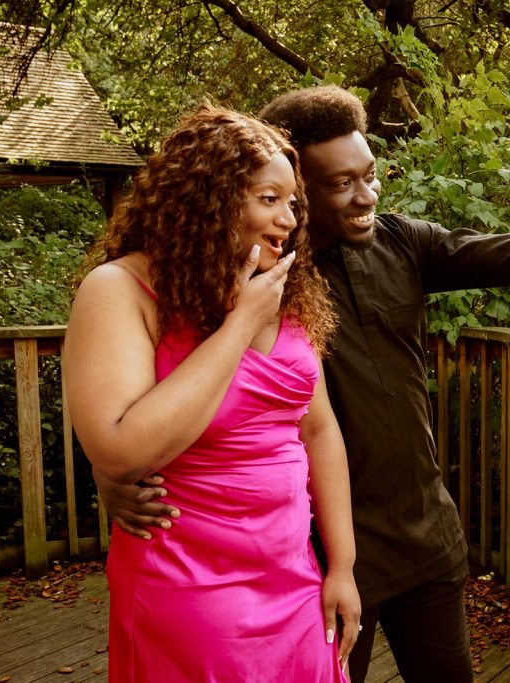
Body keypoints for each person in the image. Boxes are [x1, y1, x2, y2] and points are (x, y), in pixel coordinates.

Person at [97, 87, 510, 683]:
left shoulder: (401, 245)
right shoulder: (247, 278)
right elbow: (159, 392)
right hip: (318, 552)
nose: (367, 195)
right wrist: (115, 475)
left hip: (423, 537)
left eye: (370, 176)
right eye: (341, 185)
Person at [65, 104, 360, 681]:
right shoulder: (120, 291)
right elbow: (121, 449)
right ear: (209, 199)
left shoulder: (284, 292)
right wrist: (240, 326)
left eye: (292, 203)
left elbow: (318, 429)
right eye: (267, 199)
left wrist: (342, 566)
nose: (288, 218)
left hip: (293, 575)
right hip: (189, 583)